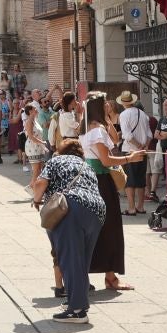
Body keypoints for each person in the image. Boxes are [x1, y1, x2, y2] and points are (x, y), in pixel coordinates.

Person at [33, 137, 104, 323]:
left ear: (60, 151)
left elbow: (41, 183)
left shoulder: (56, 160)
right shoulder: (86, 165)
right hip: (97, 210)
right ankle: (77, 301)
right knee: (82, 261)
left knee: (70, 259)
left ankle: (77, 310)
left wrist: (36, 200)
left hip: (70, 208)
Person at [80, 93, 139, 292]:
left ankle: (102, 274)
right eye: (104, 103)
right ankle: (111, 277)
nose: (109, 105)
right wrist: (130, 158)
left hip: (93, 179)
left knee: (97, 227)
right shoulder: (96, 131)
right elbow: (106, 160)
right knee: (110, 227)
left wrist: (107, 119)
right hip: (101, 180)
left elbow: (114, 138)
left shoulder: (90, 127)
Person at [117, 91, 154, 216]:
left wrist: (138, 146)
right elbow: (150, 134)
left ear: (123, 103)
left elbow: (127, 136)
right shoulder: (143, 114)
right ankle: (141, 206)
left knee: (129, 180)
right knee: (140, 179)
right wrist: (144, 145)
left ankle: (132, 208)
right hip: (142, 151)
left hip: (130, 151)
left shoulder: (123, 115)